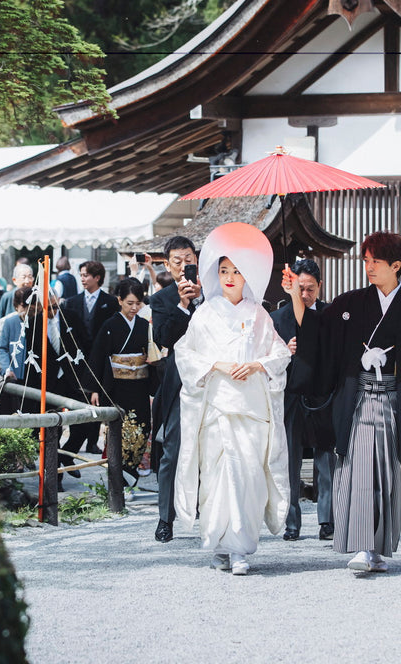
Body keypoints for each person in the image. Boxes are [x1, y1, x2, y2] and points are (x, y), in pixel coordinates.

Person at [173, 222, 292, 576]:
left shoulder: (259, 315)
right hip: (217, 408)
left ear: (248, 276)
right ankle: (221, 545)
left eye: (237, 271)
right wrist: (216, 364)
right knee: (217, 477)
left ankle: (239, 548)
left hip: (251, 409)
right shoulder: (204, 314)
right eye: (223, 270)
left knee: (246, 477)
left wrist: (257, 364)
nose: (229, 277)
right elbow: (185, 354)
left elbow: (280, 354)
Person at [318, 231, 401, 573]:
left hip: (393, 401)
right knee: (357, 469)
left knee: (385, 473)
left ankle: (378, 548)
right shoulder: (351, 303)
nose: (368, 267)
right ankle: (362, 546)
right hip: (358, 400)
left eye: (376, 261)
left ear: (396, 266)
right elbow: (321, 334)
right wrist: (298, 300)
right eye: (366, 260)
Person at [270, 257, 334, 541]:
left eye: (310, 289)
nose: (305, 295)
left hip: (322, 395)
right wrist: (285, 351)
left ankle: (328, 521)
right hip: (291, 395)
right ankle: (291, 523)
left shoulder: (331, 315)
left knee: (325, 461)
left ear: (319, 286)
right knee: (290, 461)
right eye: (300, 289)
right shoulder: (276, 319)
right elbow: (267, 360)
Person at [150, 236, 202, 543]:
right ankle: (165, 518)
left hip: (215, 379)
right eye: (177, 261)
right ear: (168, 266)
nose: (184, 266)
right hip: (180, 381)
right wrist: (184, 304)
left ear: (196, 258)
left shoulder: (216, 290)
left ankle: (210, 512)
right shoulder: (162, 299)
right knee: (172, 450)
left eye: (188, 259)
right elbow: (164, 338)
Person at [58, 260, 117, 452]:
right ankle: (76, 441)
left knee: (97, 399)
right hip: (78, 361)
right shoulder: (71, 302)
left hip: (100, 360)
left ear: (97, 277)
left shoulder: (110, 302)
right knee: (79, 399)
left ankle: (92, 441)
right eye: (81, 275)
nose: (82, 279)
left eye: (86, 275)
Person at [90, 278, 155, 441]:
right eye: (129, 303)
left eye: (138, 303)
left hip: (140, 385)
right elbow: (98, 356)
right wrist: (95, 388)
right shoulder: (110, 325)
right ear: (120, 300)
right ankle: (117, 465)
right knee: (118, 425)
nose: (134, 308)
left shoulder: (144, 325)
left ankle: (133, 465)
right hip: (116, 385)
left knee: (141, 425)